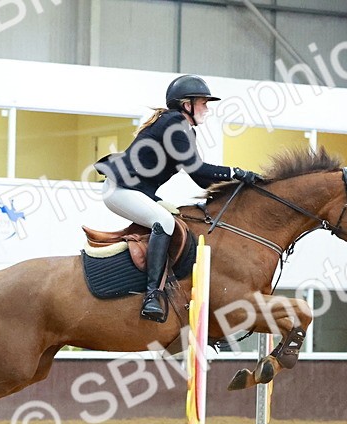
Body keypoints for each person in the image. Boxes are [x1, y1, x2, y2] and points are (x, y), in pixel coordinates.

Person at [95, 75, 261, 323]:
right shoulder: (174, 125)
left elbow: (203, 181)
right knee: (165, 222)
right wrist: (236, 173)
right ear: (187, 104)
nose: (207, 108)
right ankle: (152, 295)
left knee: (177, 217)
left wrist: (237, 181)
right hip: (120, 190)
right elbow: (199, 171)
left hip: (136, 190)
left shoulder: (181, 128)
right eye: (203, 102)